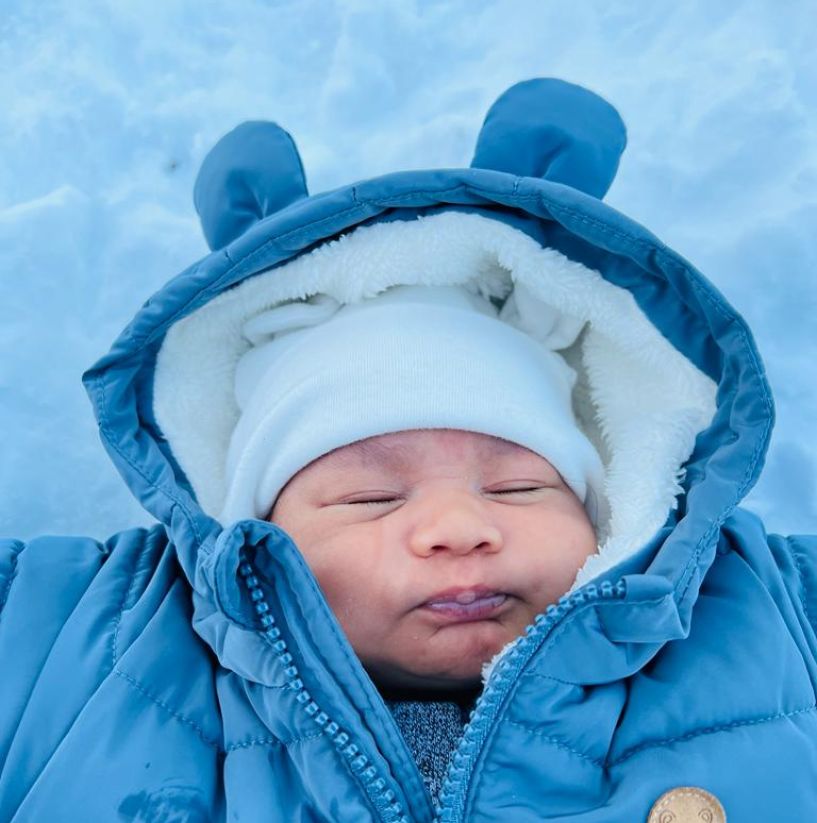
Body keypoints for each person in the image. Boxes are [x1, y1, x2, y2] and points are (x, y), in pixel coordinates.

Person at [1, 77, 815, 823]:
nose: (459, 528)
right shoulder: (82, 632)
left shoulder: (766, 608)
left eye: (518, 486)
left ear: (605, 513)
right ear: (253, 529)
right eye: (372, 498)